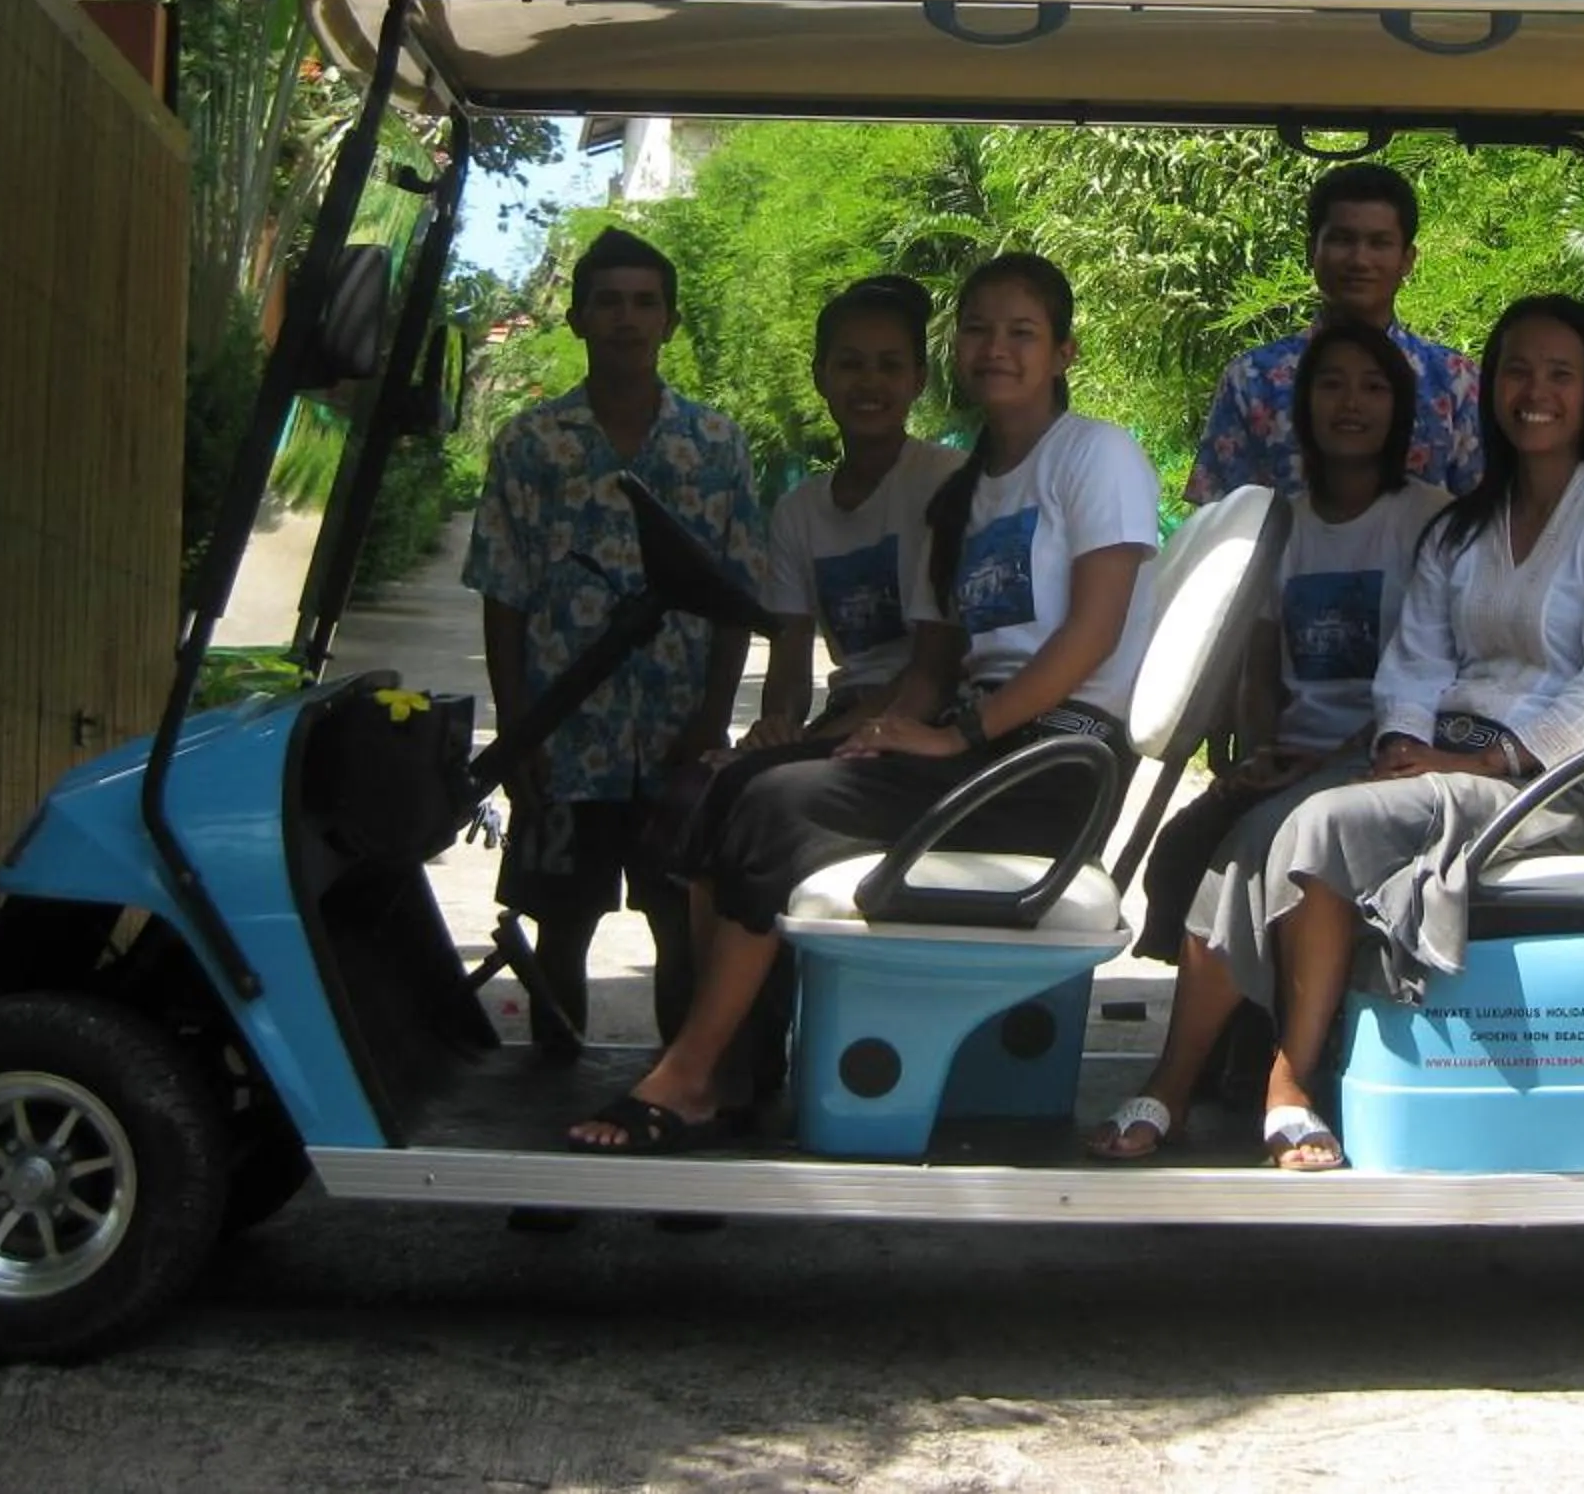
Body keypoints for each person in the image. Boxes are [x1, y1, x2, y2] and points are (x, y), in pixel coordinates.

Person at [568, 252, 1163, 1153]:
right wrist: (876, 728)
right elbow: (935, 663)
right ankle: (726, 1069)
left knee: (777, 806)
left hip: (1056, 763)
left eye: (1022, 332)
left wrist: (957, 734)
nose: (995, 348)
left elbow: (1093, 634)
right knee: (737, 786)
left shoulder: (1095, 454)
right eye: (978, 329)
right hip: (986, 742)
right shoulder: (963, 494)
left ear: (1063, 352)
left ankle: (692, 1077)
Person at [1202, 294, 1584, 1170]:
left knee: (1323, 822)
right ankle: (1186, 1077)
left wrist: (1482, 759)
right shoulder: (1466, 523)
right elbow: (1415, 658)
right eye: (1517, 371)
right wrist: (1400, 745)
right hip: (1441, 759)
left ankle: (1292, 1083)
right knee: (1257, 829)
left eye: (1560, 374)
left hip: (1553, 778)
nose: (1535, 392)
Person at [1088, 320, 1454, 1160]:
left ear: (1400, 408)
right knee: (1185, 843)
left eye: (1373, 387)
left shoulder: (1428, 520)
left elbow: (1435, 669)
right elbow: (1258, 664)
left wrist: (1325, 762)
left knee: (1249, 851)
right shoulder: (1279, 524)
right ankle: (1236, 1046)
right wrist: (1259, 751)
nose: (1351, 403)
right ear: (1302, 405)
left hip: (1380, 755)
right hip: (1296, 758)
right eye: (1332, 385)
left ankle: (1211, 1080)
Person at [463, 226, 763, 1052]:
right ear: (578, 318)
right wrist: (518, 730)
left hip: (677, 741)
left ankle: (673, 1092)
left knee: (681, 924)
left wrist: (712, 721)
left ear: (670, 321)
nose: (626, 319)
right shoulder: (531, 445)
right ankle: (551, 1090)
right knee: (559, 927)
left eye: (644, 303)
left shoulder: (716, 446)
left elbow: (738, 595)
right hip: (566, 740)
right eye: (608, 303)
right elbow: (504, 595)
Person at [1185, 160, 1484, 503]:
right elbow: (1219, 522)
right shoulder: (1252, 380)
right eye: (1342, 240)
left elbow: (1486, 520)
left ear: (1407, 259)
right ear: (1312, 250)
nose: (1359, 260)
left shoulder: (1455, 381)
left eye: (1379, 243)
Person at [748, 275, 963, 745]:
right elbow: (788, 666)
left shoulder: (949, 481)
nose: (870, 382)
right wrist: (776, 731)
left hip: (933, 715)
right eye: (850, 364)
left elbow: (937, 668)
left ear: (918, 379)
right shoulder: (796, 513)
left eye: (890, 366)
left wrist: (823, 745)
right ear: (820, 376)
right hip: (847, 713)